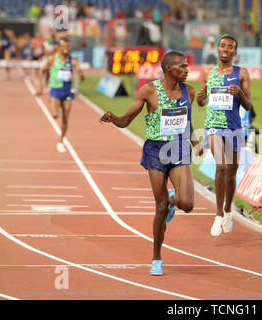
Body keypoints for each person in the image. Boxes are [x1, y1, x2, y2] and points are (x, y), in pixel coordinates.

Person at [99, 51, 202, 276]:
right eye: (182, 67)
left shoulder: (189, 92)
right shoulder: (149, 90)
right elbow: (127, 120)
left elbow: (187, 122)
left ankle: (174, 201)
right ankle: (156, 257)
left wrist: (195, 143)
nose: (187, 70)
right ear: (168, 69)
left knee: (188, 203)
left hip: (178, 148)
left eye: (187, 66)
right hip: (156, 150)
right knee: (160, 207)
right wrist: (113, 118)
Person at [196, 34, 252, 236]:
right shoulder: (208, 73)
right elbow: (202, 102)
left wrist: (239, 93)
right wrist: (200, 99)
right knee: (220, 166)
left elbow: (248, 105)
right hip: (213, 126)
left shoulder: (242, 73)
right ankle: (218, 213)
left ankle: (229, 209)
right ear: (217, 49)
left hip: (234, 127)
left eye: (230, 46)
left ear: (235, 52)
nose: (225, 49)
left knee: (231, 173)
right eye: (222, 45)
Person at [35, 37, 84, 153]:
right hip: (56, 90)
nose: (66, 48)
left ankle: (61, 141)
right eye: (63, 46)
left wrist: (81, 75)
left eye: (68, 46)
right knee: (55, 115)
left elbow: (80, 73)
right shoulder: (53, 59)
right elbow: (41, 71)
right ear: (59, 48)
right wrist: (40, 87)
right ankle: (56, 107)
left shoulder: (73, 61)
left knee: (65, 119)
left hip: (67, 91)